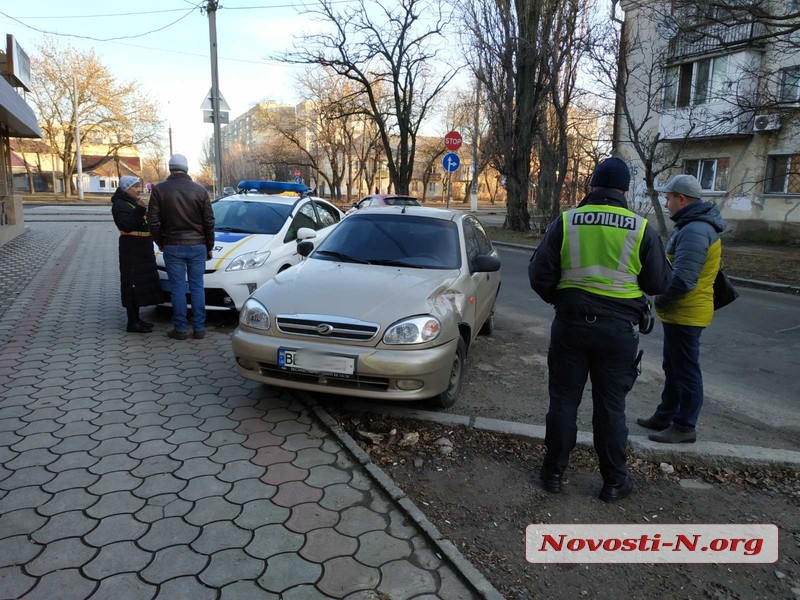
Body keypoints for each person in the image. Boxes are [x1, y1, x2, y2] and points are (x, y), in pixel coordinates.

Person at [529, 157, 672, 503]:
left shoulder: (566, 221)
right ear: (624, 191)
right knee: (610, 408)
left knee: (563, 401)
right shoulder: (641, 228)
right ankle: (613, 482)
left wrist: (563, 299)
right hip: (618, 333)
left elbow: (539, 275)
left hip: (571, 326)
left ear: (591, 187)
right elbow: (657, 282)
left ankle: (553, 474)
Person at [637, 174, 725, 444]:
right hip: (682, 312)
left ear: (682, 199)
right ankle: (665, 415)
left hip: (686, 313)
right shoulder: (691, 226)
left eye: (668, 198)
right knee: (674, 368)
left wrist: (659, 300)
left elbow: (684, 280)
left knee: (685, 371)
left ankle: (685, 426)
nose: (666, 203)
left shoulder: (695, 231)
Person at [147, 154, 215, 340]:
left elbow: (152, 220)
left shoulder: (159, 190)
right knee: (197, 287)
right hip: (197, 245)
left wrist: (160, 241)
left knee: (177, 288)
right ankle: (199, 329)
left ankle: (180, 329)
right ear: (186, 168)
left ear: (170, 168)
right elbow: (209, 221)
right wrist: (209, 245)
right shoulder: (200, 191)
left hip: (172, 245)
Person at [111, 176, 163, 334]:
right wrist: (140, 209)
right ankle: (132, 321)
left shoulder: (131, 202)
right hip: (131, 252)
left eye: (138, 186)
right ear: (126, 189)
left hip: (141, 251)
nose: (138, 190)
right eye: (134, 187)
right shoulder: (119, 205)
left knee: (139, 285)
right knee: (131, 286)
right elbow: (126, 226)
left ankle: (137, 319)